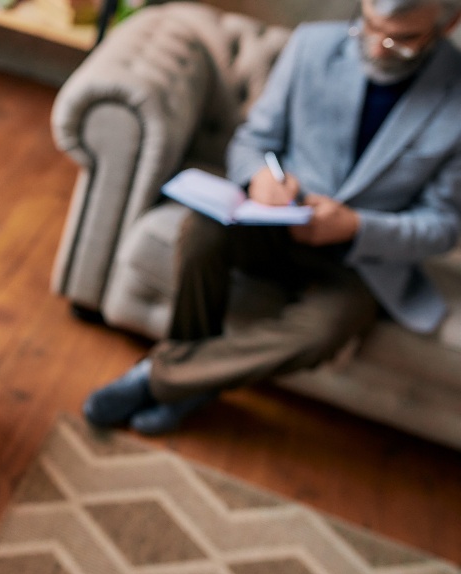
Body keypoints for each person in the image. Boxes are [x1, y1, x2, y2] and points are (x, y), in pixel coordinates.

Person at [84, 0, 461, 435]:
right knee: (202, 231)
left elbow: (442, 226)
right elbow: (253, 142)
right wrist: (262, 176)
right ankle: (188, 386)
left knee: (328, 328)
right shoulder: (311, 46)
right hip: (275, 225)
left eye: (401, 40)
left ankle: (162, 379)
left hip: (363, 262)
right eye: (370, 28)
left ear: (447, 23)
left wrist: (356, 226)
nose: (378, 49)